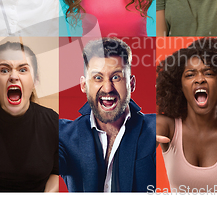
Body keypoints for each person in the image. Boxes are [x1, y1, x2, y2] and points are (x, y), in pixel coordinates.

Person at [59, 37, 156, 191]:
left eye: (116, 77)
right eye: (98, 78)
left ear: (131, 84)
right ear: (84, 85)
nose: (107, 88)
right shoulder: (63, 134)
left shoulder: (157, 128)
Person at [156, 38, 217, 192]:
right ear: (179, 85)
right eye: (189, 75)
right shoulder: (168, 126)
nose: (199, 79)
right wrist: (144, 139)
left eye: (208, 73)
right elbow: (147, 130)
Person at [0, 40, 59, 192]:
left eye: (23, 70)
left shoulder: (53, 123)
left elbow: (57, 171)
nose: (13, 76)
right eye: (4, 70)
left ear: (35, 81)